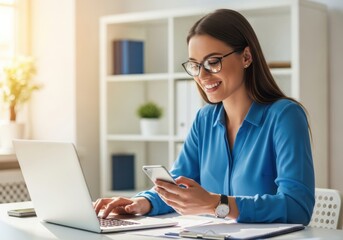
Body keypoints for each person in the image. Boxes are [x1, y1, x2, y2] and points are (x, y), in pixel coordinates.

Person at [94, 9, 315, 224]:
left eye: (213, 62)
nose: (202, 75)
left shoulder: (285, 116)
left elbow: (297, 207)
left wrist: (215, 204)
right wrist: (142, 203)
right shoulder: (205, 119)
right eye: (195, 65)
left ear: (246, 57)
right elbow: (178, 186)